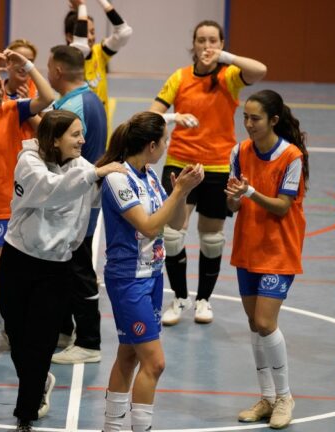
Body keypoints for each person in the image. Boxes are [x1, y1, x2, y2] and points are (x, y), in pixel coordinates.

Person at [0, 110, 126, 431]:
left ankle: (25, 413)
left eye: (82, 133)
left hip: (56, 269)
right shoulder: (29, 162)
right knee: (16, 334)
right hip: (18, 259)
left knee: (40, 342)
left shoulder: (85, 169)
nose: (83, 140)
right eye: (75, 134)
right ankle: (37, 381)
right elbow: (51, 190)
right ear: (54, 140)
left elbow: (105, 196)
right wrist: (96, 174)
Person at [149, 20, 267, 325]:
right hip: (181, 163)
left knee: (212, 237)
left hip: (217, 166)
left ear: (221, 44)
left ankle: (203, 300)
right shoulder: (180, 77)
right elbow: (151, 115)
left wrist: (225, 58)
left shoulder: (229, 77)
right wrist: (175, 117)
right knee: (173, 234)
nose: (206, 46)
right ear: (194, 44)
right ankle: (179, 297)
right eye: (201, 40)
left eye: (213, 41)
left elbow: (260, 70)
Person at [98, 112, 204, 432]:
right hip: (129, 280)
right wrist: (176, 194)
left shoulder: (150, 175)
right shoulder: (118, 179)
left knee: (129, 355)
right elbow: (147, 226)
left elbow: (172, 226)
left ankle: (111, 428)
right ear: (152, 144)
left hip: (153, 277)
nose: (167, 147)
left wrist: (180, 193)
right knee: (155, 363)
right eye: (165, 142)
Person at [0, 49, 55, 367]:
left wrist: (27, 66)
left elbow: (47, 96)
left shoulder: (12, 110)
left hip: (4, 211)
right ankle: (10, 329)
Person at [225, 89, 308, 429]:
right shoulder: (239, 152)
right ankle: (267, 397)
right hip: (248, 246)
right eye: (245, 117)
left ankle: (285, 397)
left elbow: (283, 206)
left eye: (255, 118)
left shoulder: (291, 156)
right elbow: (233, 206)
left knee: (265, 322)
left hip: (279, 248)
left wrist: (250, 193)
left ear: (273, 120)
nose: (248, 124)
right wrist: (233, 199)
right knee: (253, 325)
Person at [45, 45, 107, 365]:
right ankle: (65, 330)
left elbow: (63, 154)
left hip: (77, 202)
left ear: (57, 70)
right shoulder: (89, 98)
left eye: (46, 67)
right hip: (81, 198)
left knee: (79, 269)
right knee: (68, 267)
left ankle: (89, 341)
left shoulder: (73, 107)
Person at [65, 0, 132, 117]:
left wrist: (102, 2)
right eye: (85, 33)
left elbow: (123, 33)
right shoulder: (69, 58)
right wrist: (82, 6)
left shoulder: (99, 52)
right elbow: (81, 46)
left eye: (92, 32)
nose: (90, 37)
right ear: (70, 37)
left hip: (100, 119)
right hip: (77, 120)